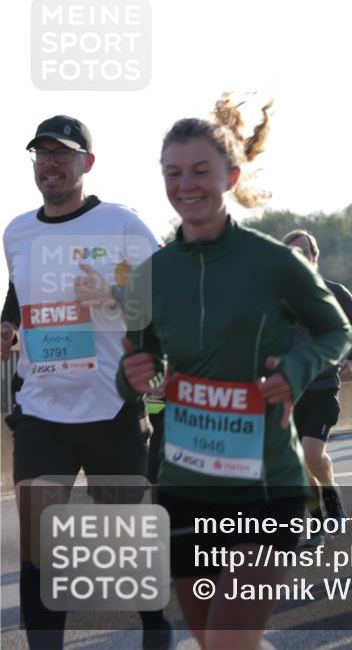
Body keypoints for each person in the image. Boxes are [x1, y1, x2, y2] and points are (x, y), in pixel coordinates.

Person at [118, 95, 352, 650]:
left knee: (226, 640)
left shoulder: (273, 261)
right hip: (184, 482)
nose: (186, 185)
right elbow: (138, 367)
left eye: (201, 171)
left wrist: (296, 369)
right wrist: (133, 374)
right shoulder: (151, 275)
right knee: (214, 641)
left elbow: (335, 330)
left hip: (264, 481)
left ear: (231, 175)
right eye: (173, 173)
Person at [3, 115, 171, 650]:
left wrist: (115, 299)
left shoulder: (121, 224)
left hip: (112, 409)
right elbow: (21, 293)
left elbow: (166, 298)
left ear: (87, 164)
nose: (50, 163)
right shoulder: (17, 231)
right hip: (40, 409)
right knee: (38, 541)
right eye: (41, 154)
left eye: (63, 154)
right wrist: (8, 323)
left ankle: (155, 628)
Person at [282, 229, 352, 538]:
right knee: (299, 462)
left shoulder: (334, 292)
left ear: (314, 257)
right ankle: (318, 517)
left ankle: (330, 494)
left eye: (304, 252)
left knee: (311, 454)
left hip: (323, 385)